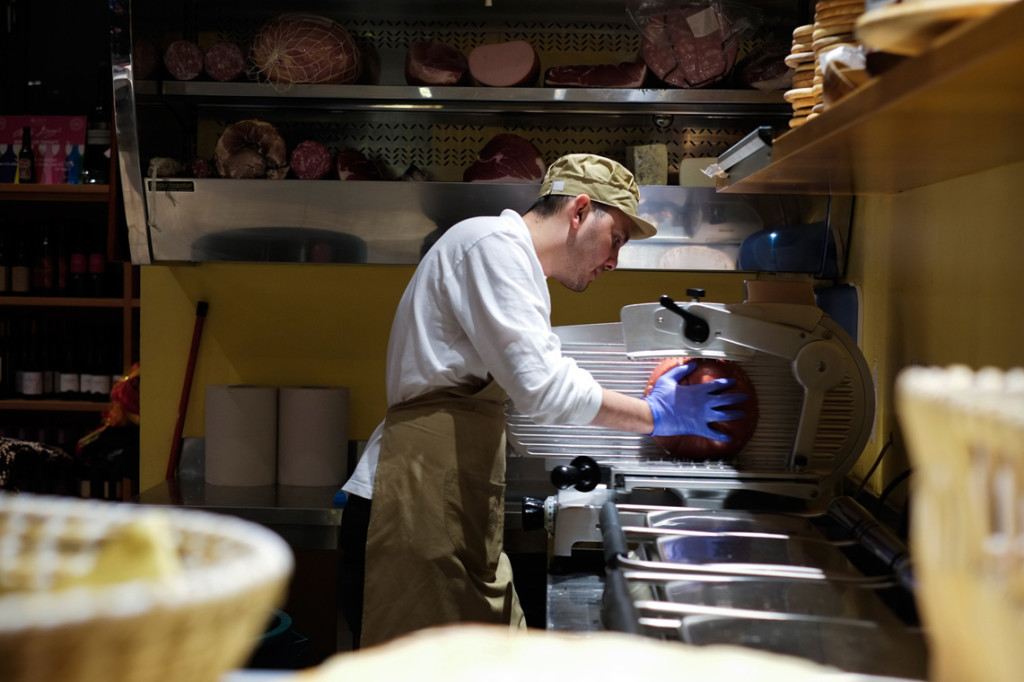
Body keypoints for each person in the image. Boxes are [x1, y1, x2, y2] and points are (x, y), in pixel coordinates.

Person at [339, 153, 747, 649]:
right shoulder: (492, 246)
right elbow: (543, 386)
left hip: (443, 500)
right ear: (580, 211)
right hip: (409, 504)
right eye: (616, 238)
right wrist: (656, 416)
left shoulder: (515, 264)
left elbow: (536, 378)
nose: (614, 261)